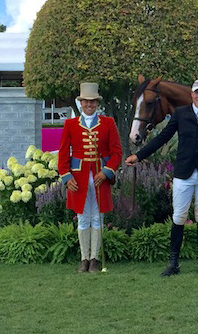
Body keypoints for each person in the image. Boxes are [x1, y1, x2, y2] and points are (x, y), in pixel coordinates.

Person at [125, 79, 198, 278]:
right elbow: (162, 137)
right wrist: (139, 155)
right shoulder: (180, 114)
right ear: (192, 95)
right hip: (184, 173)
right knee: (179, 217)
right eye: (196, 93)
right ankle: (174, 263)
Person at [58, 83, 123, 273]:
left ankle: (95, 258)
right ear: (80, 102)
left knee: (98, 217)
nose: (89, 104)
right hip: (78, 179)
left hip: (99, 177)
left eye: (93, 101)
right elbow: (63, 154)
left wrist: (107, 171)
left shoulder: (108, 123)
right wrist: (66, 176)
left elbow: (117, 152)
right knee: (82, 217)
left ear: (97, 103)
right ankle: (83, 258)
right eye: (86, 101)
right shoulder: (70, 124)